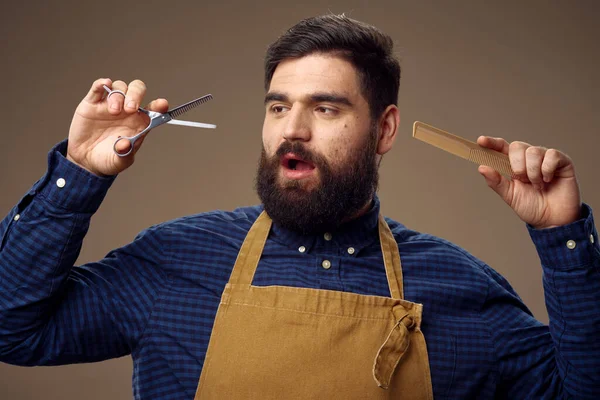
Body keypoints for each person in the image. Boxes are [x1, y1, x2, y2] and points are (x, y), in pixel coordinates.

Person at [0, 14, 598, 400]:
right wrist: (78, 171)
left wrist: (562, 238)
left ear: (384, 129)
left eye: (327, 108)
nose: (295, 131)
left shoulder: (458, 287)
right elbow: (13, 330)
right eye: (279, 107)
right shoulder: (175, 262)